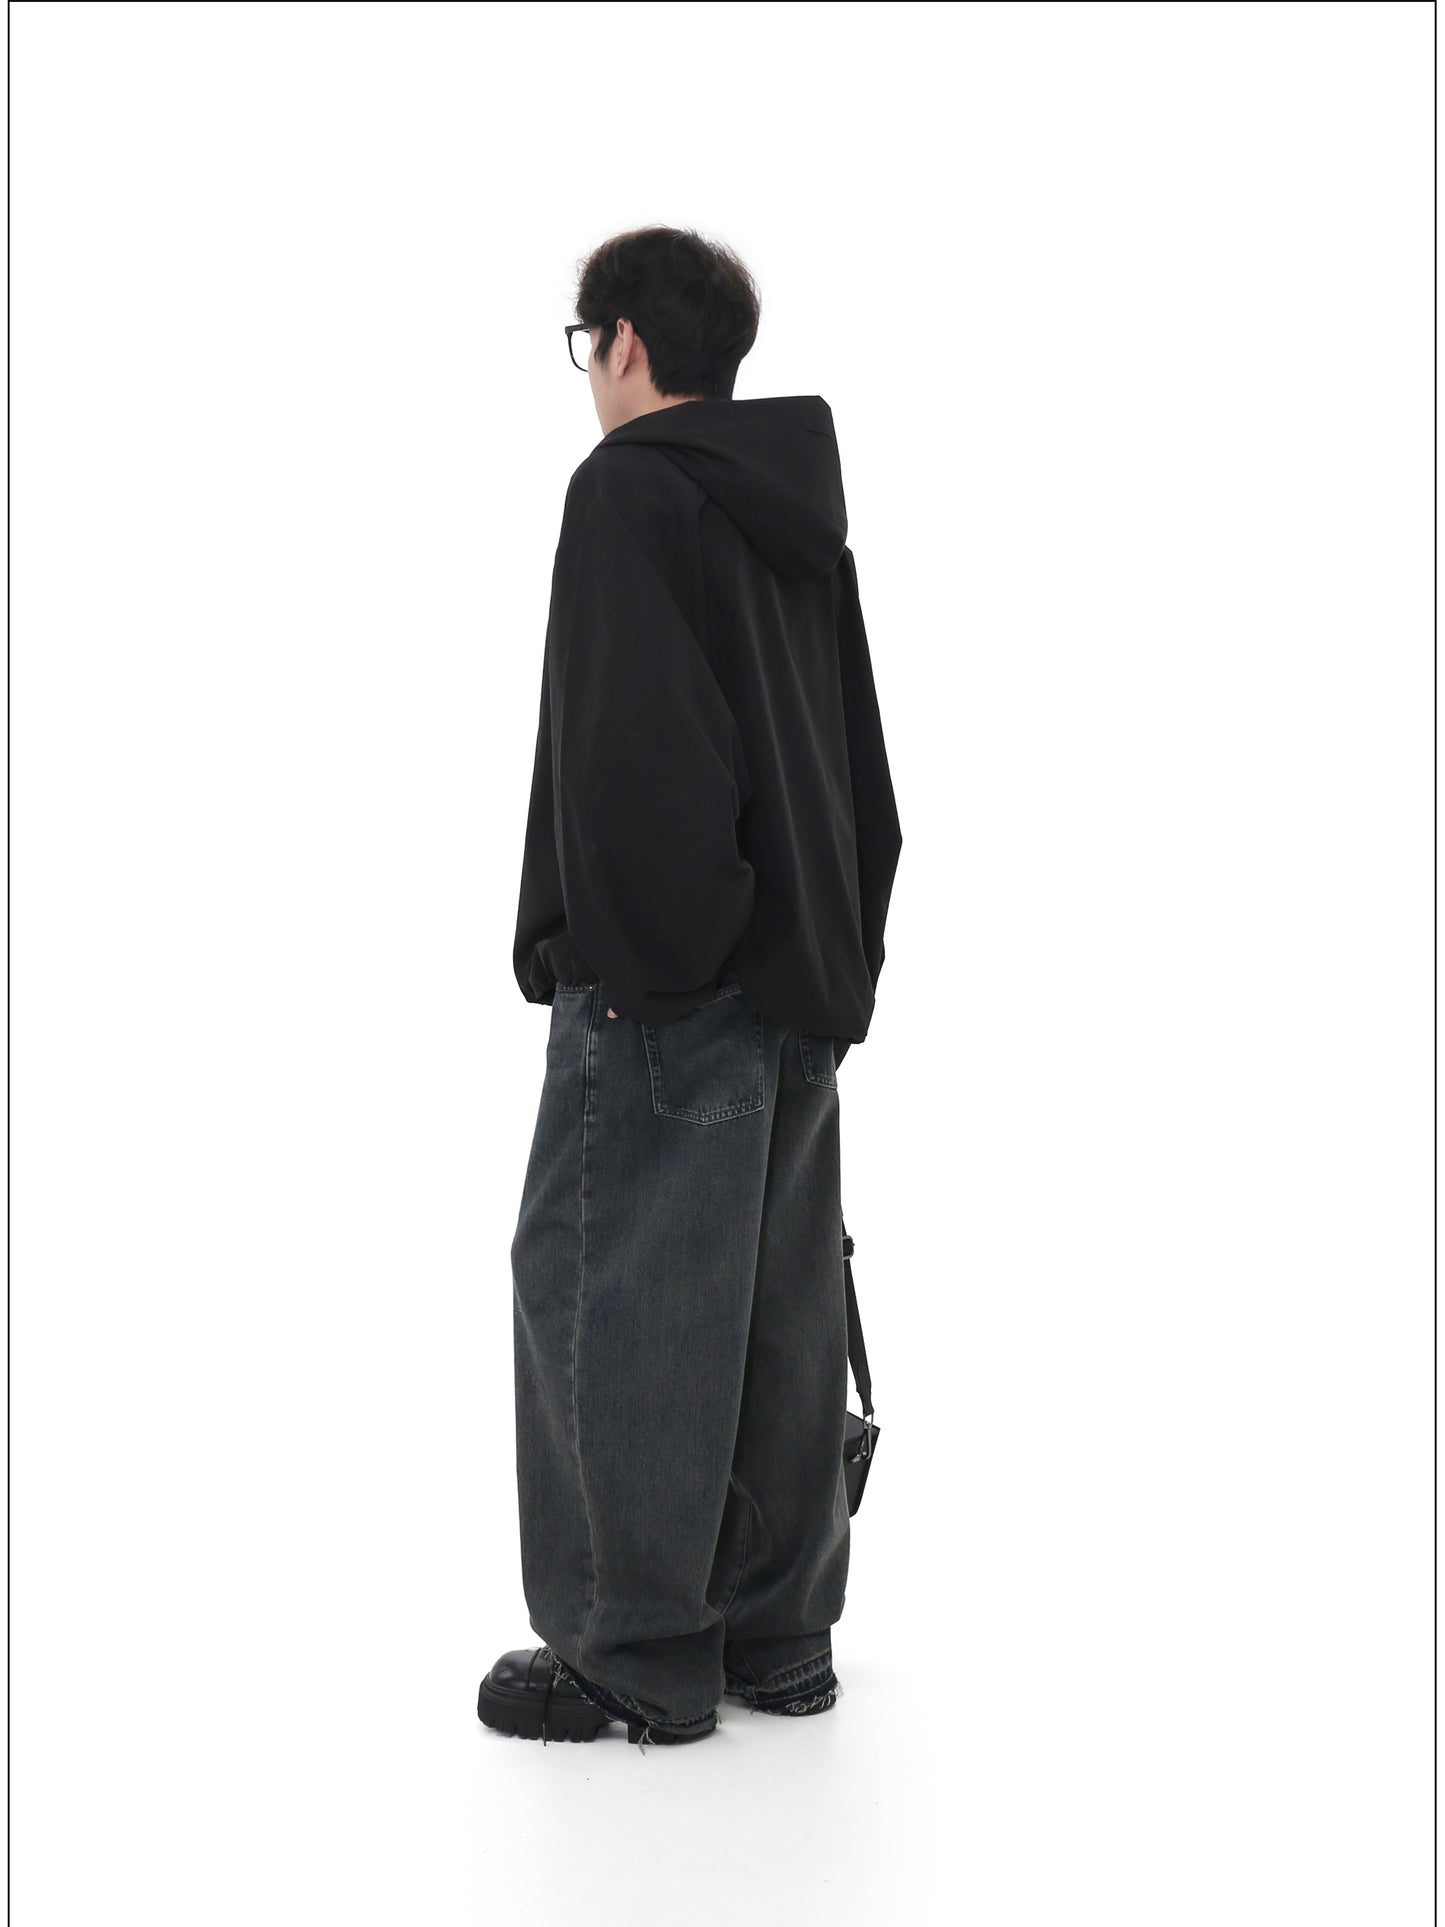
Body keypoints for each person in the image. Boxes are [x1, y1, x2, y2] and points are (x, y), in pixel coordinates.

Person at [476, 226, 903, 1750]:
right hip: (798, 978)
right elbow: (856, 768)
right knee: (775, 1310)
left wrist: (643, 966)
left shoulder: (630, 489)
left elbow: (634, 748)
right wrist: (830, 958)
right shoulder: (797, 516)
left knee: (610, 1286)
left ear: (625, 344)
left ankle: (631, 1651)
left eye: (586, 344)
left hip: (671, 986)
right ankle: (779, 1636)